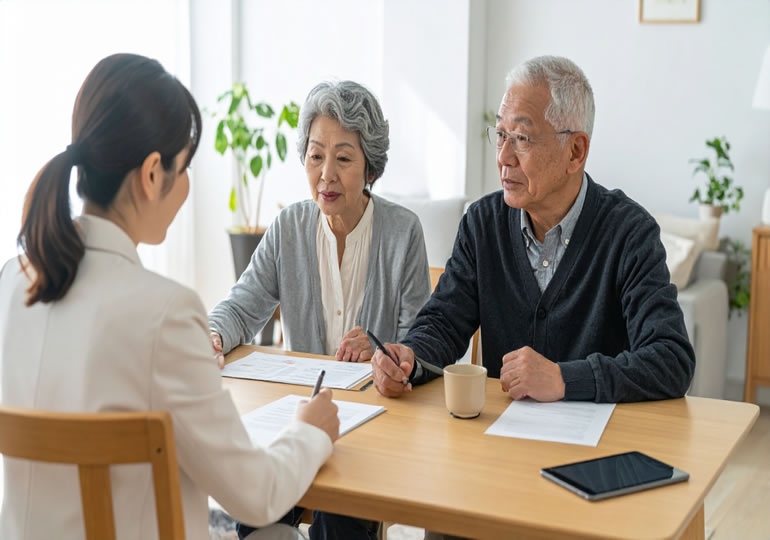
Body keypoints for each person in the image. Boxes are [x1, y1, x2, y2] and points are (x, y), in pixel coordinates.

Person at [0, 53, 340, 540]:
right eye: (183, 169)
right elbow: (256, 494)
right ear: (152, 173)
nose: (185, 188)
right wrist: (309, 429)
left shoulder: (14, 281)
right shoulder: (165, 313)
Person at [372, 55, 695, 407]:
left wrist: (564, 379)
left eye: (522, 138)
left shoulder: (629, 233)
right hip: (501, 440)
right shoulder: (483, 223)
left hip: (597, 450)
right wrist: (409, 357)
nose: (504, 157)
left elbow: (671, 359)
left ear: (576, 151)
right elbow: (444, 323)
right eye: (500, 135)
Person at [208, 81, 431, 540]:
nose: (326, 174)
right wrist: (212, 334)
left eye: (344, 158)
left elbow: (421, 340)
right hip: (300, 415)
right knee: (256, 504)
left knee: (340, 515)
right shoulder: (289, 227)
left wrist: (386, 349)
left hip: (374, 426)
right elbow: (241, 307)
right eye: (315, 156)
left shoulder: (402, 232)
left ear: (370, 166)